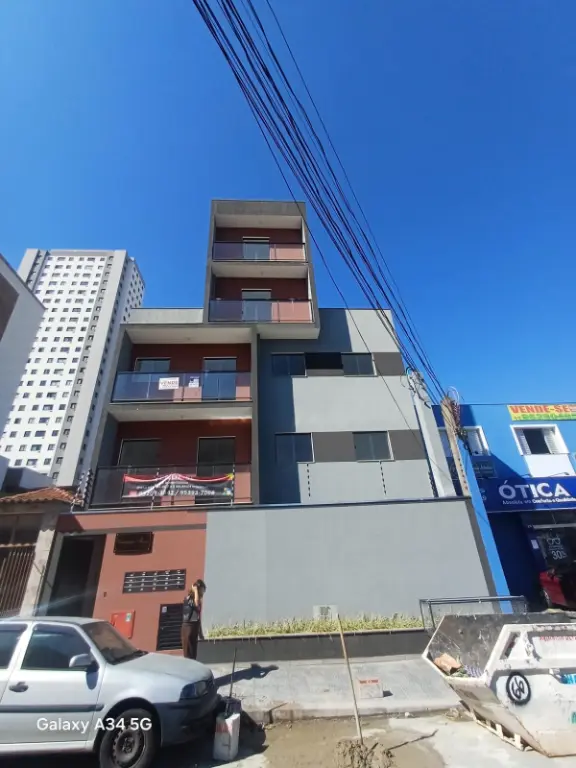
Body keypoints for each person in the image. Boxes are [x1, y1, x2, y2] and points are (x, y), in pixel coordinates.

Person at [181, 579, 206, 660]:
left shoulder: (198, 601)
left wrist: (200, 633)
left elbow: (198, 617)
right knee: (188, 654)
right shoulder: (188, 599)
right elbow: (196, 604)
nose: (203, 593)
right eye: (202, 590)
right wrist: (195, 591)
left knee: (193, 654)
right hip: (188, 628)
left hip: (194, 628)